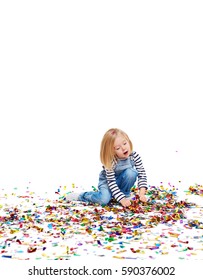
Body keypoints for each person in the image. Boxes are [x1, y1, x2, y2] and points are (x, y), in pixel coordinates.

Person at [66, 128, 148, 207]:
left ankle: (124, 194)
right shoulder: (111, 161)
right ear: (112, 151)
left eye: (125, 143)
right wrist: (121, 200)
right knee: (104, 200)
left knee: (131, 173)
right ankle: (82, 196)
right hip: (108, 183)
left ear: (128, 141)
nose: (123, 148)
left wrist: (141, 194)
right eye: (118, 148)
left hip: (121, 182)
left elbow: (142, 175)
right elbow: (111, 183)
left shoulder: (134, 156)